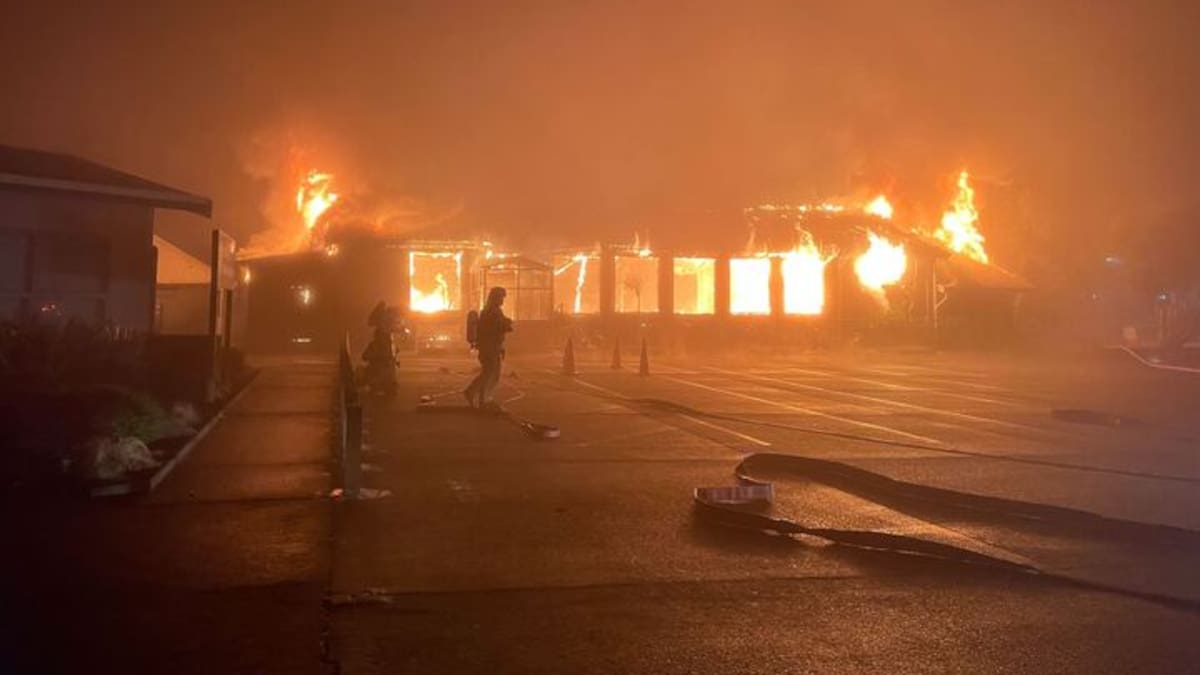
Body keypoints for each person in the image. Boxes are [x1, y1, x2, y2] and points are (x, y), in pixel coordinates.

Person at [465, 287, 513, 409]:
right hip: (489, 348)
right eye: (501, 297)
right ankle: (475, 394)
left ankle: (483, 398)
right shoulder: (492, 311)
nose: (503, 300)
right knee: (489, 374)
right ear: (495, 297)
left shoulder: (491, 310)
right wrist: (506, 324)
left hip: (491, 347)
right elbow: (495, 328)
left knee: (491, 374)